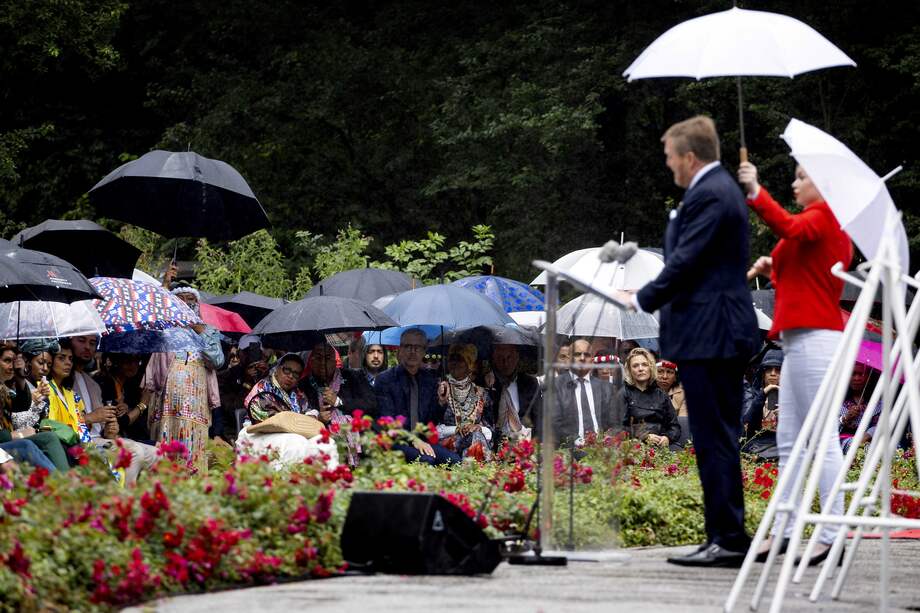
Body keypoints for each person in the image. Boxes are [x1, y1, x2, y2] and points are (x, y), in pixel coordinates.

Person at [619, 116, 758, 567]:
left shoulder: (711, 194)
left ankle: (729, 538)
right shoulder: (711, 192)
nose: (669, 165)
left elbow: (687, 262)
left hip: (712, 334)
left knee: (714, 437)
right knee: (714, 436)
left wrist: (641, 297)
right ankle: (724, 533)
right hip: (710, 333)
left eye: (670, 157)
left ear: (690, 157)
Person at [738, 156, 852, 566]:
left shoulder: (824, 217)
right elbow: (809, 275)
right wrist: (775, 268)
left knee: (820, 438)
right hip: (800, 338)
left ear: (823, 185)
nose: (796, 183)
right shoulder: (817, 223)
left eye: (803, 177)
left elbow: (789, 227)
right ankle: (785, 531)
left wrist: (755, 191)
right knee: (788, 441)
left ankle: (834, 531)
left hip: (816, 338)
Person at [143, 286, 225, 470]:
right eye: (181, 299)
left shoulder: (208, 331)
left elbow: (218, 361)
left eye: (191, 299)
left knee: (193, 452)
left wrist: (199, 331)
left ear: (197, 304)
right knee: (165, 452)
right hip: (167, 405)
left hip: (196, 407)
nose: (186, 303)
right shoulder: (164, 329)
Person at [374, 328, 460, 465]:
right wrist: (412, 440)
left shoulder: (430, 379)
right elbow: (387, 420)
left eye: (417, 347)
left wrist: (441, 402)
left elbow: (432, 421)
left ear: (424, 351)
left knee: (455, 461)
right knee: (427, 460)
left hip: (422, 440)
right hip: (395, 440)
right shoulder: (385, 380)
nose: (413, 351)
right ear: (400, 350)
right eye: (408, 346)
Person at [0, 342, 70, 471]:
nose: (12, 366)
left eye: (14, 361)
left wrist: (20, 375)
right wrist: (15, 435)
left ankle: (66, 483)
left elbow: (21, 405)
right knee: (26, 445)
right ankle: (62, 487)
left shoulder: (3, 388)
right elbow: (19, 417)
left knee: (50, 437)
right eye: (7, 361)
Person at [552, 338, 625, 446]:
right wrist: (578, 442)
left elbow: (615, 425)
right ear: (569, 359)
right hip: (569, 450)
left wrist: (607, 440)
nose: (582, 358)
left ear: (592, 360)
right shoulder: (555, 385)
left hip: (602, 450)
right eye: (577, 354)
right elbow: (555, 423)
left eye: (586, 355)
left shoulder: (607, 388)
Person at [435, 344, 493, 459]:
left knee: (475, 436)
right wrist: (441, 402)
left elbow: (491, 429)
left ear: (470, 365)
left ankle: (474, 472)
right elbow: (431, 427)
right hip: (446, 450)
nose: (454, 363)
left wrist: (478, 427)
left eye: (460, 359)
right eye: (452, 359)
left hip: (476, 444)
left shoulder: (482, 394)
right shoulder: (440, 390)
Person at [621, 348, 681, 448]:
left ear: (651, 367)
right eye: (635, 366)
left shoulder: (661, 395)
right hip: (635, 445)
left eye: (644, 364)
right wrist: (644, 436)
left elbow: (674, 427)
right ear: (630, 371)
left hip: (661, 445)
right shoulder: (623, 393)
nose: (640, 369)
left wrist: (667, 438)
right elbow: (617, 427)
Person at [488, 343, 542, 446]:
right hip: (496, 444)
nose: (505, 363)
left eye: (509, 357)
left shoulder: (530, 383)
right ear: (494, 359)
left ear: (517, 358)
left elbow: (539, 418)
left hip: (526, 443)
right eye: (501, 358)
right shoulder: (488, 383)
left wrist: (535, 445)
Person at [95, 354, 151, 443]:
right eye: (127, 360)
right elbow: (120, 423)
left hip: (131, 437)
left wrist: (128, 408)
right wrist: (142, 405)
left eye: (136, 360)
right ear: (117, 361)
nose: (132, 365)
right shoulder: (105, 383)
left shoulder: (130, 384)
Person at [838, 362, 880, 454]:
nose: (857, 378)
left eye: (861, 374)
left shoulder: (878, 403)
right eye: (853, 374)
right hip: (843, 440)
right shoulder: (837, 400)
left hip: (868, 440)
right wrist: (845, 418)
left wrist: (866, 436)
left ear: (869, 377)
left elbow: (879, 425)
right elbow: (829, 427)